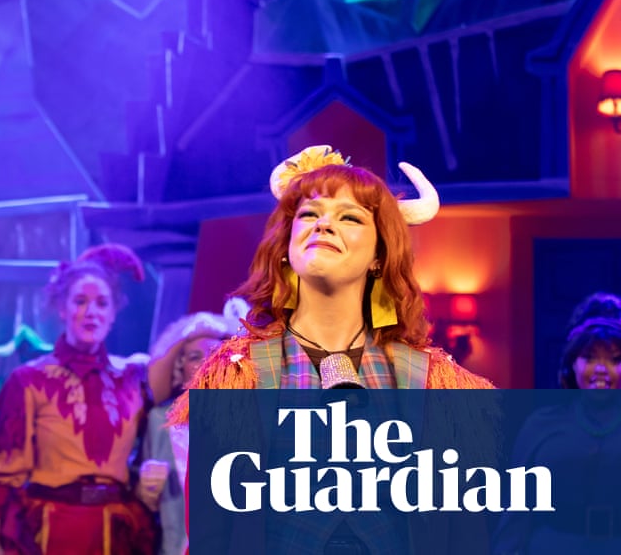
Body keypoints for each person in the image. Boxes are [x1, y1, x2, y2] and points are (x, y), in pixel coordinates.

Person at [167, 145, 494, 553]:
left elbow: (464, 533)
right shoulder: (237, 375)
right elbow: (210, 533)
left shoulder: (435, 382)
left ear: (379, 256)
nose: (323, 224)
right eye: (309, 214)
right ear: (287, 244)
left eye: (350, 217)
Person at [0, 244, 162, 555]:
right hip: (51, 530)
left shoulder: (133, 376)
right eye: (80, 301)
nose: (92, 312)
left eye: (102, 303)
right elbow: (4, 469)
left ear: (113, 314)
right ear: (62, 309)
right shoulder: (30, 379)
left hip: (114, 530)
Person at [493, 319, 621, 553]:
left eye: (615, 360)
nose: (601, 368)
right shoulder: (541, 424)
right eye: (590, 358)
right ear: (572, 365)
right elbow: (516, 507)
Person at [141, 299, 248, 555]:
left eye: (213, 355)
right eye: (194, 357)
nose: (204, 363)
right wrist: (145, 489)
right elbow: (144, 495)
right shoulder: (159, 420)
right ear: (180, 367)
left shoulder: (246, 420)